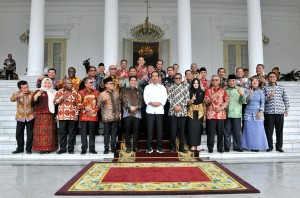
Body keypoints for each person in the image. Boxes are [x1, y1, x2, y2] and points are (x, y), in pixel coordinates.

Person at [263, 72, 289, 152]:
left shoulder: (281, 87)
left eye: (273, 76)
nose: (272, 78)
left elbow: (285, 98)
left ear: (276, 78)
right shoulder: (265, 88)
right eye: (270, 77)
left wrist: (286, 109)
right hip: (269, 113)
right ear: (268, 78)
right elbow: (262, 100)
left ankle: (279, 146)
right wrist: (269, 96)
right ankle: (269, 146)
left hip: (279, 112)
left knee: (279, 130)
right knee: (269, 131)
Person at [54, 78, 81, 154]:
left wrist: (76, 114)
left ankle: (71, 149)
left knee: (72, 133)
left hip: (72, 116)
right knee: (62, 133)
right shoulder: (59, 92)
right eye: (69, 83)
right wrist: (61, 98)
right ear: (64, 84)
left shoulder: (75, 92)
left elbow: (78, 104)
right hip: (62, 116)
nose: (71, 85)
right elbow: (55, 102)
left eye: (71, 83)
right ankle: (62, 149)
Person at [241, 77, 269, 152]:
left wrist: (261, 111)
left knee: (258, 131)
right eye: (253, 81)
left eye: (256, 81)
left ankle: (257, 147)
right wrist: (249, 96)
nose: (255, 82)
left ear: (258, 82)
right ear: (250, 82)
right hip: (248, 113)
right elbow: (244, 102)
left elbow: (262, 102)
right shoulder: (247, 90)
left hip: (258, 114)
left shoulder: (261, 92)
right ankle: (248, 146)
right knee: (248, 131)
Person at [32, 78, 58, 154]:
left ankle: (49, 148)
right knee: (40, 133)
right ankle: (41, 149)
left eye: (49, 83)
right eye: (45, 83)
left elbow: (56, 105)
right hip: (40, 116)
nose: (47, 84)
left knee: (49, 132)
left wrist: (56, 114)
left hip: (50, 115)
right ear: (42, 84)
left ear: (51, 84)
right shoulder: (38, 91)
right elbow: (32, 103)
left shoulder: (54, 92)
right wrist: (36, 96)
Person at [144, 71, 168, 154]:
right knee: (150, 129)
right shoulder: (147, 87)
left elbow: (165, 97)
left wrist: (159, 103)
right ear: (151, 77)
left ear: (158, 77)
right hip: (150, 110)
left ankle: (159, 147)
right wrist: (151, 103)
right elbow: (145, 97)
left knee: (159, 130)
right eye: (153, 76)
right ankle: (149, 147)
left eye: (156, 76)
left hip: (159, 110)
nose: (154, 78)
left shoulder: (162, 87)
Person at [204, 75, 229, 153]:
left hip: (220, 114)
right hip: (211, 115)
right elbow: (206, 101)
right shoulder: (208, 90)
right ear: (211, 81)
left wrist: (221, 108)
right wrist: (212, 96)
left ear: (219, 81)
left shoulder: (223, 90)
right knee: (211, 133)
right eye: (213, 80)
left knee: (220, 132)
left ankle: (220, 148)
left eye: (216, 80)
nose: (215, 81)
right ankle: (210, 148)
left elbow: (227, 101)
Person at [97, 77, 121, 154]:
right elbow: (98, 105)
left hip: (115, 116)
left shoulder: (116, 93)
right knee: (106, 133)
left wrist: (119, 113)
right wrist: (102, 102)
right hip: (107, 116)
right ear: (106, 85)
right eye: (110, 84)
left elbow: (119, 104)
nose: (112, 85)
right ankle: (106, 148)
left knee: (114, 133)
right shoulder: (102, 94)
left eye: (112, 83)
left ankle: (113, 147)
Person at [10, 80, 34, 154]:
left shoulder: (32, 93)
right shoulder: (16, 93)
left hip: (30, 116)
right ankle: (20, 148)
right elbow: (11, 99)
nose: (27, 89)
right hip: (20, 117)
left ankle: (28, 149)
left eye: (27, 87)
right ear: (20, 89)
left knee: (30, 134)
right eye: (24, 88)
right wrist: (18, 96)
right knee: (19, 134)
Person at [168, 73, 190, 153]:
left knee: (182, 131)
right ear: (174, 79)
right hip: (173, 112)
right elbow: (169, 98)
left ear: (181, 79)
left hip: (182, 111)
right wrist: (175, 106)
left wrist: (180, 106)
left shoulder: (185, 88)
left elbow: (187, 99)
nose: (178, 79)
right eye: (176, 78)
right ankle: (172, 147)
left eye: (179, 78)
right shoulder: (170, 88)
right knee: (173, 130)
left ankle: (181, 147)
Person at [224, 74, 246, 152]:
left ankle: (237, 147)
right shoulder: (224, 89)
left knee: (237, 131)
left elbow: (243, 101)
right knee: (227, 131)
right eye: (230, 81)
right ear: (227, 81)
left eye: (233, 80)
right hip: (226, 113)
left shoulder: (240, 89)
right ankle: (227, 147)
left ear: (236, 81)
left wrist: (242, 95)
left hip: (236, 113)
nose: (231, 82)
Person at [78, 77, 100, 154]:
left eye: (92, 82)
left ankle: (92, 148)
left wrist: (94, 110)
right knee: (83, 132)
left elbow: (99, 104)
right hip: (84, 116)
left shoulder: (96, 92)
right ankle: (84, 148)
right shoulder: (80, 92)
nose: (92, 84)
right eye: (90, 82)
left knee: (92, 133)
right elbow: (77, 104)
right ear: (85, 84)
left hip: (93, 115)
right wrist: (85, 107)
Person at [121, 76, 143, 153]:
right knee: (128, 130)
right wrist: (130, 107)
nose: (133, 82)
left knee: (136, 131)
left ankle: (135, 147)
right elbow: (123, 100)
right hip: (127, 113)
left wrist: (136, 107)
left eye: (135, 80)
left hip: (137, 114)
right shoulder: (124, 90)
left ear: (137, 82)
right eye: (131, 80)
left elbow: (141, 102)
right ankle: (128, 147)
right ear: (129, 82)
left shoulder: (140, 91)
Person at [187, 78, 205, 152]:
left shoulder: (202, 92)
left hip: (199, 113)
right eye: (194, 83)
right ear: (192, 84)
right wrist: (192, 100)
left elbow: (202, 102)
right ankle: (192, 145)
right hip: (191, 112)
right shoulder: (189, 91)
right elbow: (186, 103)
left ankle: (197, 145)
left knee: (198, 129)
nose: (196, 84)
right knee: (191, 129)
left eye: (197, 83)